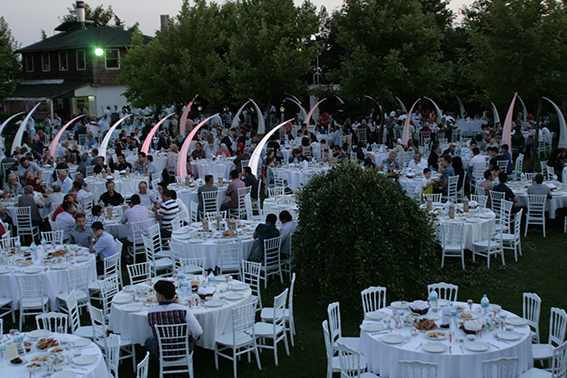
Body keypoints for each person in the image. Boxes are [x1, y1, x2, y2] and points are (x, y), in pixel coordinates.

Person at [145, 280, 203, 363]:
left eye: (156, 294)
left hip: (162, 351)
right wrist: (192, 338)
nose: (156, 296)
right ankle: (183, 363)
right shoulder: (184, 310)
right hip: (182, 350)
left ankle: (162, 365)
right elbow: (198, 332)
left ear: (161, 297)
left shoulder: (151, 312)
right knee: (190, 341)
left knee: (149, 341)